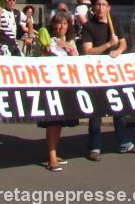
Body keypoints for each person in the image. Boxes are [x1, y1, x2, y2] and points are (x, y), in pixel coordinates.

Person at [80, 0, 135, 160]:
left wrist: (118, 50)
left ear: (109, 8)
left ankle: (125, 143)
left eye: (104, 4)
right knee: (96, 113)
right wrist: (108, 45)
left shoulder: (113, 22)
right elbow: (88, 51)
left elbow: (123, 41)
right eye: (98, 4)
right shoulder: (88, 26)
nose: (100, 7)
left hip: (114, 74)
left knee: (120, 110)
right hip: (95, 75)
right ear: (93, 8)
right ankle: (94, 148)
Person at [38, 13, 79, 171]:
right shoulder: (48, 41)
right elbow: (37, 59)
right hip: (51, 85)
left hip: (65, 85)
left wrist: (68, 47)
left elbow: (77, 61)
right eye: (57, 23)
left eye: (63, 24)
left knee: (59, 122)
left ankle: (53, 151)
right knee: (52, 123)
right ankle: (52, 156)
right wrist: (45, 51)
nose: (60, 27)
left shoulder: (70, 42)